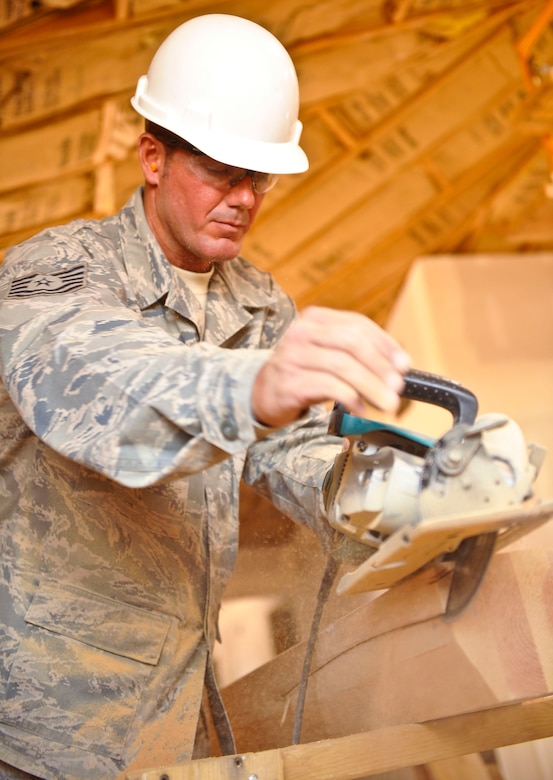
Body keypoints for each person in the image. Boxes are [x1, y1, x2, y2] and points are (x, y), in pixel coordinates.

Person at [0, 13, 411, 780]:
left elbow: (289, 452)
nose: (243, 198)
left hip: (171, 711)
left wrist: (387, 497)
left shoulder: (255, 302)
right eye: (221, 171)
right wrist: (252, 387)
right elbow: (103, 390)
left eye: (258, 177)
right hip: (39, 728)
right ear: (152, 157)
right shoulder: (53, 273)